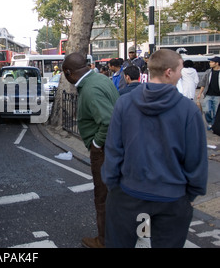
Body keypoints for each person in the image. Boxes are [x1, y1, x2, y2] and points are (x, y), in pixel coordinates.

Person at [102, 49, 207, 248]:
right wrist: (191, 193)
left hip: (128, 191)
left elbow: (114, 148)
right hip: (172, 196)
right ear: (169, 72)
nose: (181, 74)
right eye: (180, 69)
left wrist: (112, 183)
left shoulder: (124, 103)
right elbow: (196, 157)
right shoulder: (188, 110)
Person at [62, 52, 119, 248]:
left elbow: (107, 121)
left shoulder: (91, 89)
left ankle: (103, 241)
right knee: (114, 194)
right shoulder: (100, 79)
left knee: (102, 197)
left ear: (69, 73)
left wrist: (95, 144)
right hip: (115, 148)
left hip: (104, 151)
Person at [197, 56, 220, 130]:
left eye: (212, 62)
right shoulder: (208, 72)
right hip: (208, 95)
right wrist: (200, 94)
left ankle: (214, 125)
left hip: (218, 96)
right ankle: (210, 123)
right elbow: (203, 83)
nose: (210, 63)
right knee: (206, 110)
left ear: (217, 63)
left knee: (216, 112)